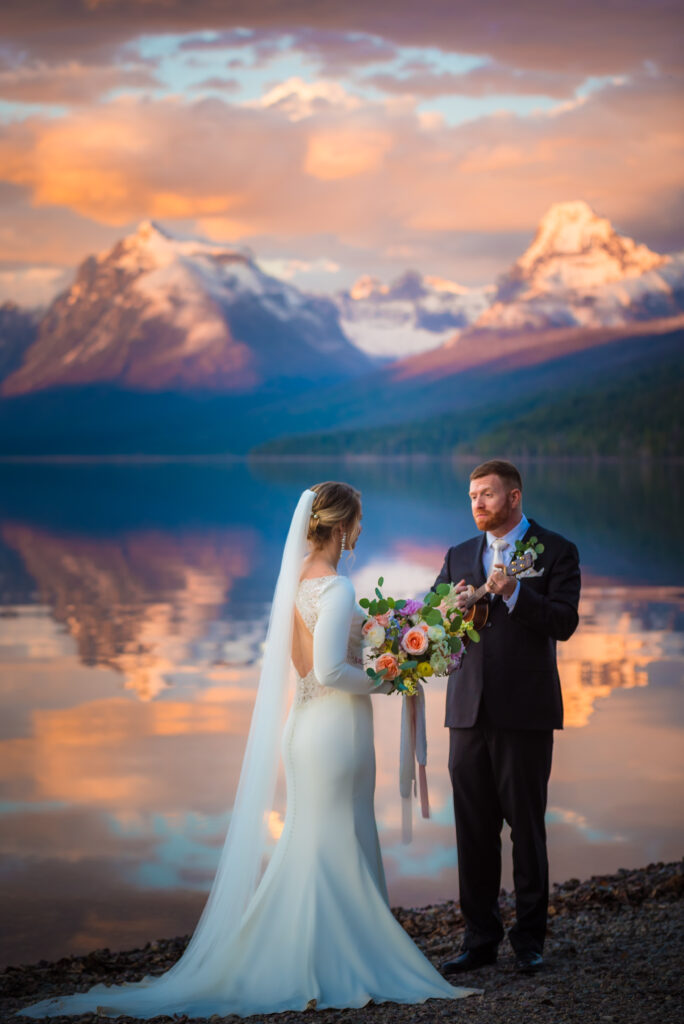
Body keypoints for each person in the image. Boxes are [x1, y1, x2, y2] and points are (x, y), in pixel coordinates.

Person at [21, 482, 478, 1018]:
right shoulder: (333, 588)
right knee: (335, 839)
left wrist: (398, 639)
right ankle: (340, 961)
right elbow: (331, 671)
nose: (361, 530)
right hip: (333, 732)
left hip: (306, 726)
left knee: (319, 840)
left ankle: (307, 955)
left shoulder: (295, 581)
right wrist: (392, 679)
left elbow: (313, 664)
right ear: (340, 526)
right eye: (358, 521)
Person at [434, 460, 580, 976]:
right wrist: (444, 615)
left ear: (514, 497)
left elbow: (564, 623)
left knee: (527, 829)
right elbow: (434, 627)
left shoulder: (556, 550)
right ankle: (479, 941)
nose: (477, 503)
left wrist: (515, 593)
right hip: (467, 714)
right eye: (472, 495)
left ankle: (529, 940)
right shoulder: (457, 556)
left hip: (526, 713)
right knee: (472, 831)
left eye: (487, 495)